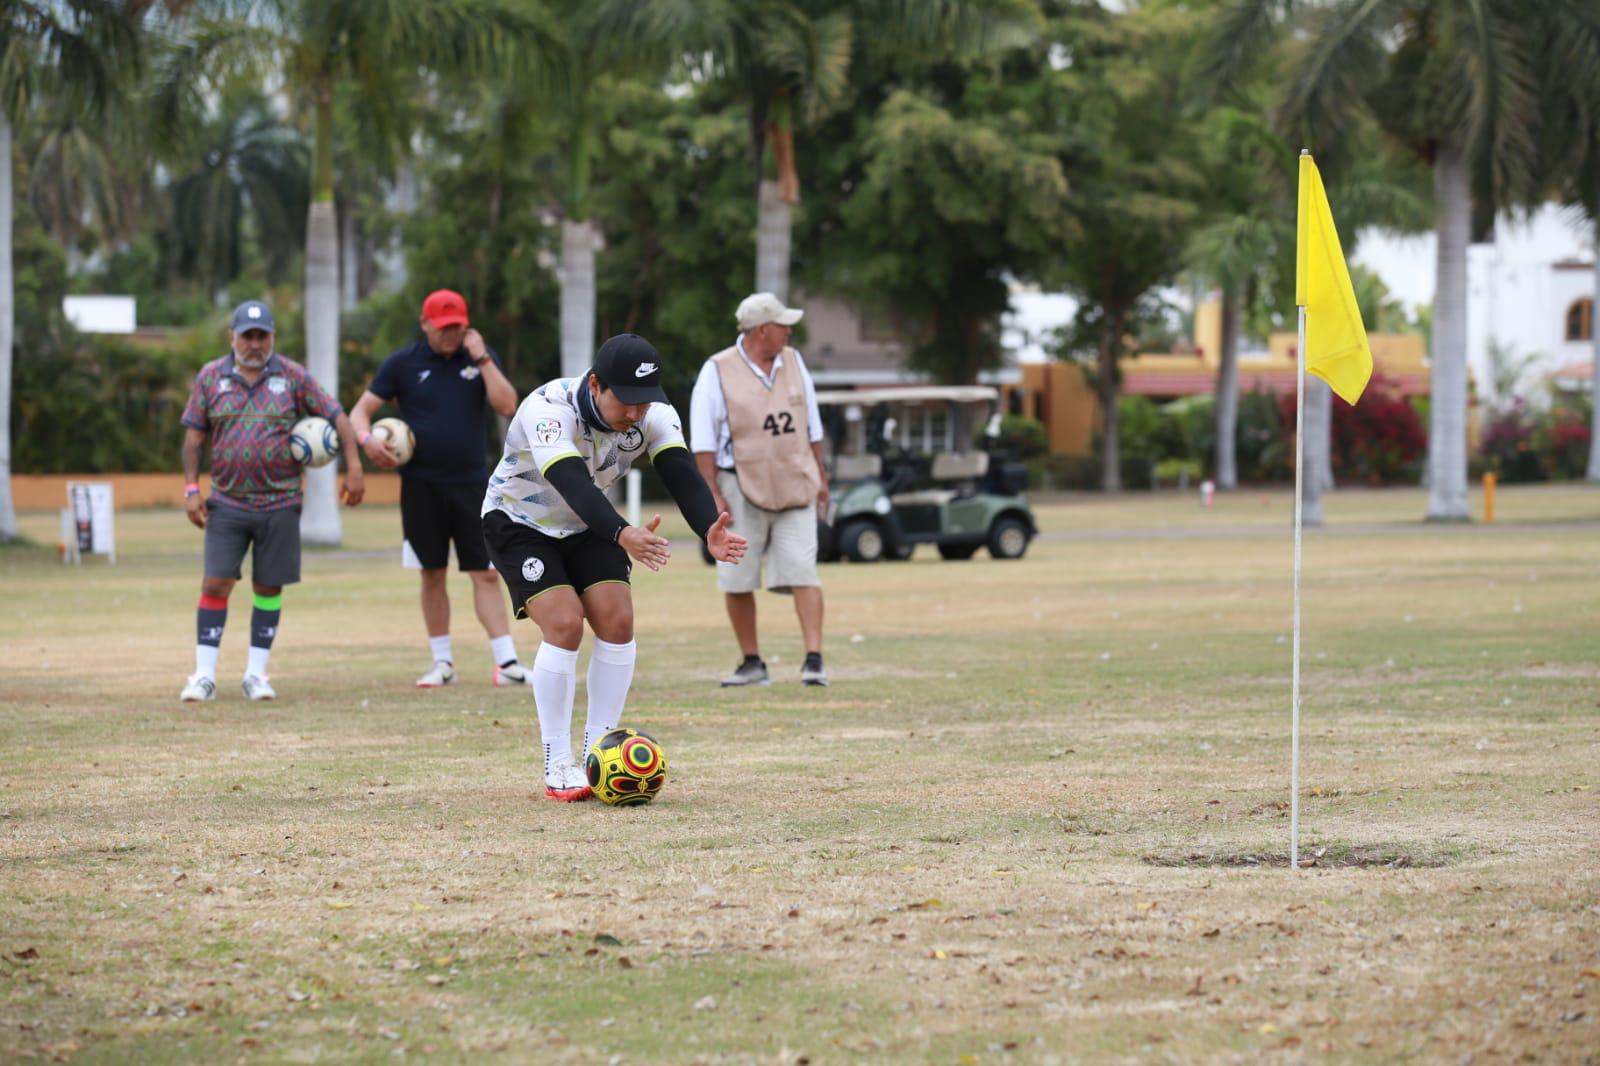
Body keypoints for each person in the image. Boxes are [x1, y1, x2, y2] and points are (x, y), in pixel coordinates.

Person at [482, 333, 747, 800]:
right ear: (596, 384)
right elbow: (572, 483)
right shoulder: (548, 409)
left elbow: (680, 470)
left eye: (645, 402)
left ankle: (597, 752)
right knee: (565, 623)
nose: (636, 414)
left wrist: (709, 526)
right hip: (520, 520)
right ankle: (557, 761)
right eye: (626, 401)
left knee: (618, 619)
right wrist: (624, 533)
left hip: (589, 526)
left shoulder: (652, 412)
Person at [179, 300, 365, 702]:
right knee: (216, 581)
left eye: (262, 335)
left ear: (272, 338)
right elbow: (194, 437)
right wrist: (192, 489)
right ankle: (203, 676)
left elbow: (337, 415)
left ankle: (256, 675)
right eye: (247, 336)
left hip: (280, 503)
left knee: (268, 585)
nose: (255, 344)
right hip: (226, 502)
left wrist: (353, 466)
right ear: (233, 337)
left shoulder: (293, 376)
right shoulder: (211, 377)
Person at [350, 290, 524, 688]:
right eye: (444, 327)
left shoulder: (478, 357)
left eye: (458, 326)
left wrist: (481, 358)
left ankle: (508, 663)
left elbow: (508, 403)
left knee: (485, 573)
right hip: (420, 487)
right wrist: (367, 440)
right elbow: (360, 412)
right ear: (425, 324)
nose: (452, 334)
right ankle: (442, 663)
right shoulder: (402, 364)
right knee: (432, 574)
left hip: (472, 485)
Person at [689, 292, 831, 688]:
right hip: (739, 485)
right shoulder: (716, 370)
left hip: (795, 479)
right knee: (737, 577)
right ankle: (752, 662)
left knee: (804, 569)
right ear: (763, 330)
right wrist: (712, 492)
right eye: (783, 324)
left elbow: (812, 424)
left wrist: (822, 474)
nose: (790, 330)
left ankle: (814, 660)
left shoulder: (795, 361)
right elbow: (703, 440)